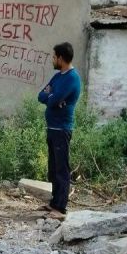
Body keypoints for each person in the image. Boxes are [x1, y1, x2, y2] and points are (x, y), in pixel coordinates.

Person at [38, 42, 82, 220]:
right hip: (52, 128)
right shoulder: (57, 77)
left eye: (54, 56)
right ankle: (54, 203)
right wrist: (51, 97)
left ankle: (61, 209)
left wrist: (52, 97)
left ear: (61, 59)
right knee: (53, 168)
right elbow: (42, 95)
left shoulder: (72, 78)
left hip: (62, 129)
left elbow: (52, 99)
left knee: (62, 169)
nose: (52, 59)